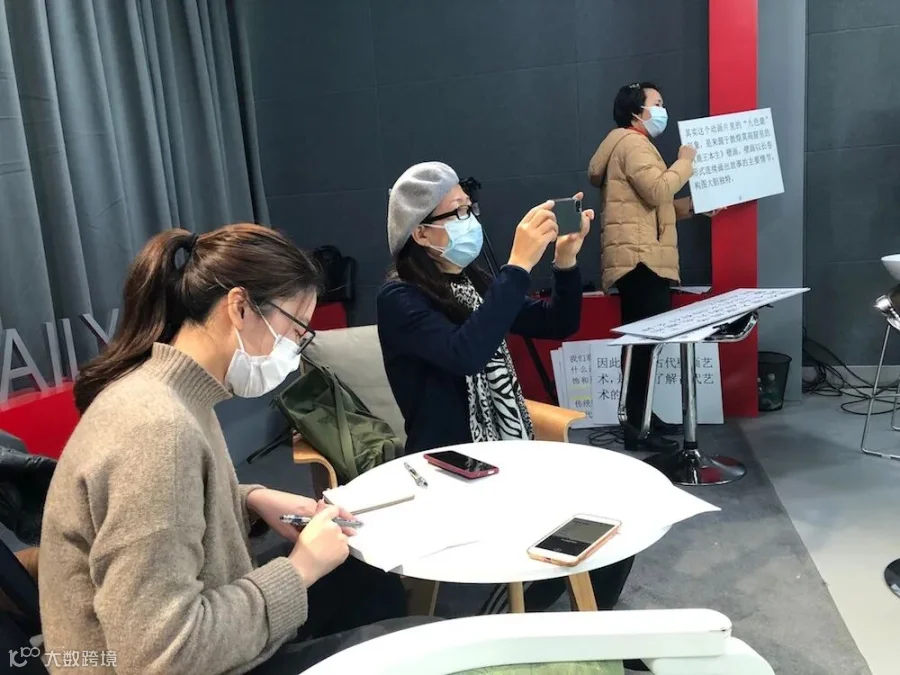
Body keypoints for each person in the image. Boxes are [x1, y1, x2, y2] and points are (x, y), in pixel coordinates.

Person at [38, 224, 435, 675]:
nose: (295, 349)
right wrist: (300, 570)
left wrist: (249, 501)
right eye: (295, 328)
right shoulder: (156, 429)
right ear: (240, 307)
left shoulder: (173, 395)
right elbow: (159, 654)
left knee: (366, 580)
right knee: (423, 643)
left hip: (193, 625)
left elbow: (166, 511)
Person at [376, 161, 634, 614]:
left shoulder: (473, 281)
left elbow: (557, 323)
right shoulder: (400, 298)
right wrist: (517, 266)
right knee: (575, 526)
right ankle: (511, 615)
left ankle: (562, 620)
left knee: (614, 521)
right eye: (456, 212)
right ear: (420, 233)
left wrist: (565, 262)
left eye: (469, 207)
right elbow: (465, 353)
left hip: (505, 451)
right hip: (450, 466)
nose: (469, 219)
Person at [588, 82, 711, 452]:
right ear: (635, 111)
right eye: (656, 103)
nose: (662, 110)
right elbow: (659, 191)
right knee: (643, 348)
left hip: (637, 257)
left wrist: (695, 206)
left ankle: (641, 417)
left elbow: (653, 207)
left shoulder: (629, 145)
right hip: (642, 260)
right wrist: (686, 160)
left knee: (643, 347)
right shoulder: (633, 144)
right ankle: (637, 428)